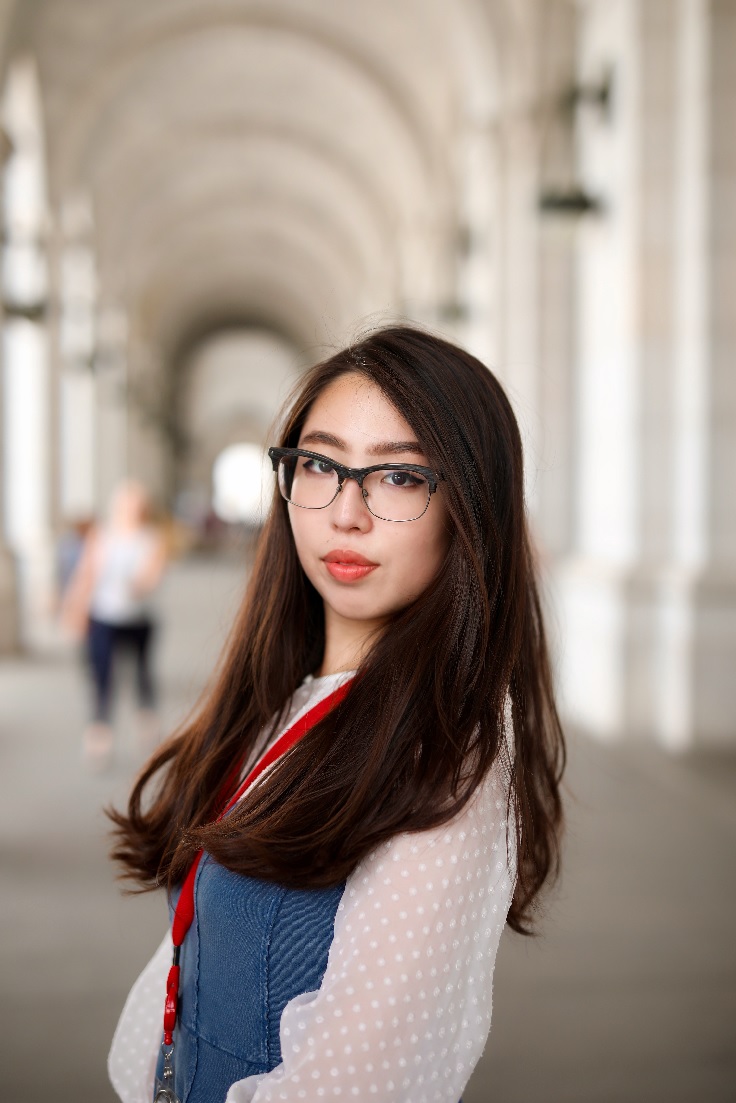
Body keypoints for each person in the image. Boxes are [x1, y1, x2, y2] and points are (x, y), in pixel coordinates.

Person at [106, 326, 566, 1103]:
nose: (345, 511)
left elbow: (359, 1082)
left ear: (469, 505)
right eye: (319, 464)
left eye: (398, 476)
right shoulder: (279, 700)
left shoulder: (448, 749)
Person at [60, 478, 168, 769]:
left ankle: (147, 723)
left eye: (135, 504)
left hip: (138, 619)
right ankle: (99, 733)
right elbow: (86, 575)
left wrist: (140, 583)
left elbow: (152, 574)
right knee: (102, 675)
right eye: (125, 503)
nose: (129, 509)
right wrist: (74, 608)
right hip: (104, 617)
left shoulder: (151, 538)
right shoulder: (101, 536)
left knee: (141, 673)